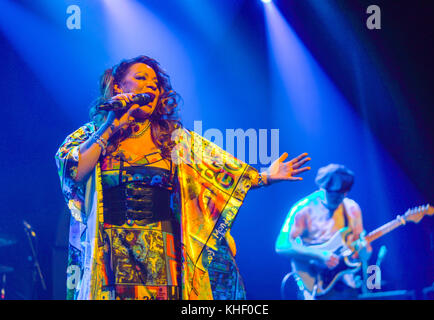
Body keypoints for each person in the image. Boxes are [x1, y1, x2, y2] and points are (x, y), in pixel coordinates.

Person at [55, 55, 311, 300]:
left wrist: (266, 176)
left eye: (155, 84)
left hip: (161, 255)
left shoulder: (174, 139)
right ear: (119, 85)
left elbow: (223, 172)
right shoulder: (91, 134)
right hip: (109, 251)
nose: (151, 87)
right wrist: (111, 126)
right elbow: (74, 171)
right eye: (142, 79)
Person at [275, 164, 371, 300]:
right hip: (314, 283)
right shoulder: (304, 209)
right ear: (323, 187)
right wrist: (320, 255)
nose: (339, 198)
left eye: (344, 192)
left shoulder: (352, 209)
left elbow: (361, 252)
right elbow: (282, 245)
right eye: (335, 192)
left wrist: (364, 250)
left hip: (345, 284)